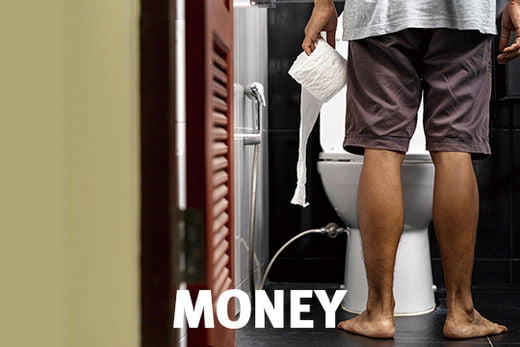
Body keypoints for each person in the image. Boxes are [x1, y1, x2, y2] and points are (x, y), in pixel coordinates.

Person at [302, 0, 520, 340]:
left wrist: (323, 4)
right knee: (455, 148)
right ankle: (462, 311)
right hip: (464, 13)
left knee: (382, 148)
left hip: (378, 14)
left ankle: (377, 311)